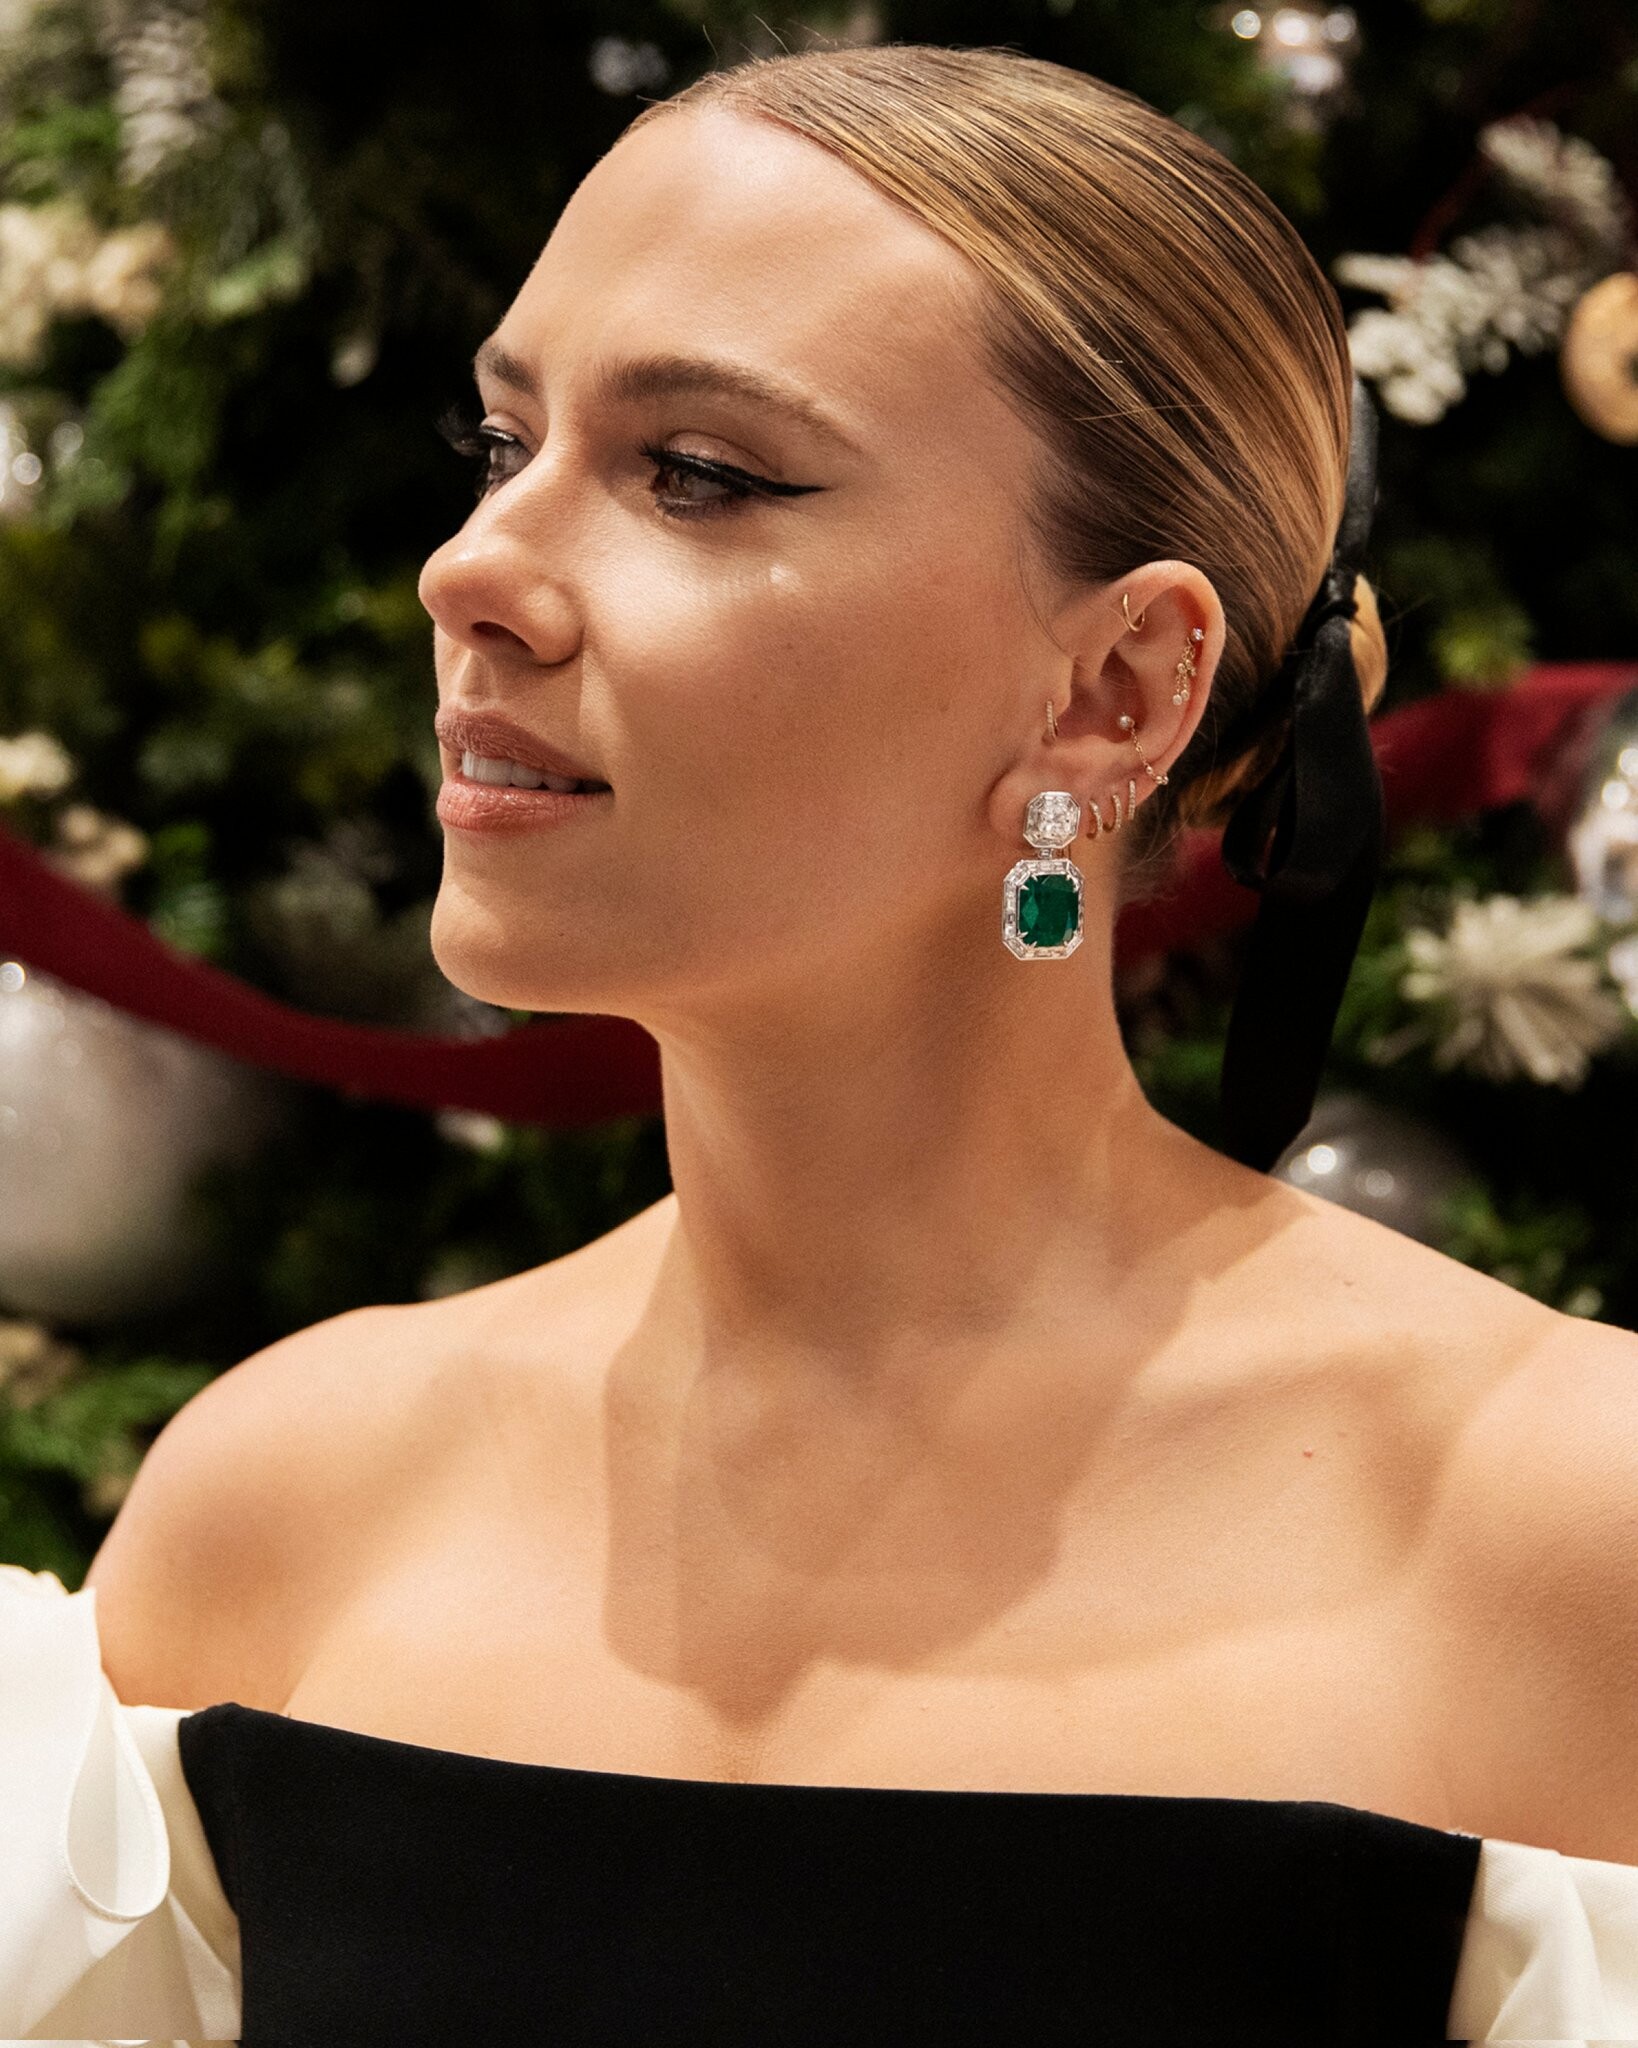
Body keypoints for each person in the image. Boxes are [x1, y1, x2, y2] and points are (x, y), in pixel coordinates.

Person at [5, 41, 1637, 2046]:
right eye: (501, 442)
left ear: (1117, 691)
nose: (471, 571)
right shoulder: (289, 1506)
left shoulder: (1564, 1534)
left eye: (696, 473)